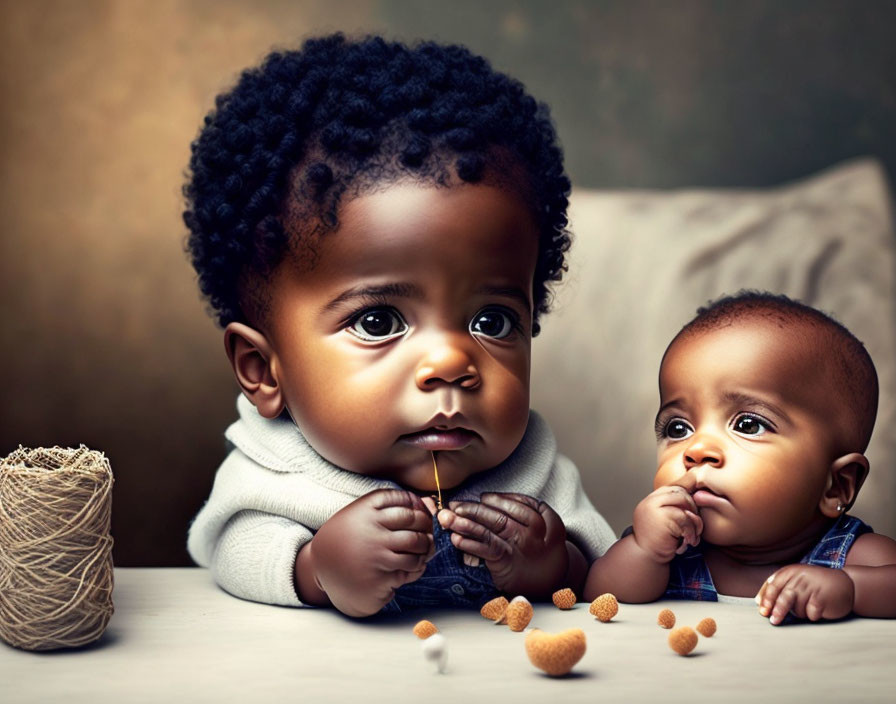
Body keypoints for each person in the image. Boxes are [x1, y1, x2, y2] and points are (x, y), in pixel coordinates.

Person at [183, 33, 614, 617]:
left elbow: (600, 563)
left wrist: (553, 562)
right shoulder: (278, 465)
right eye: (379, 320)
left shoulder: (530, 468)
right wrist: (317, 568)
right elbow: (232, 550)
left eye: (492, 320)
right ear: (263, 370)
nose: (452, 365)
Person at [584, 291, 896, 624]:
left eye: (748, 424)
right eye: (678, 429)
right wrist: (645, 550)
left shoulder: (851, 555)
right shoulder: (672, 548)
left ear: (836, 485)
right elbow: (599, 597)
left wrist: (851, 588)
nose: (697, 450)